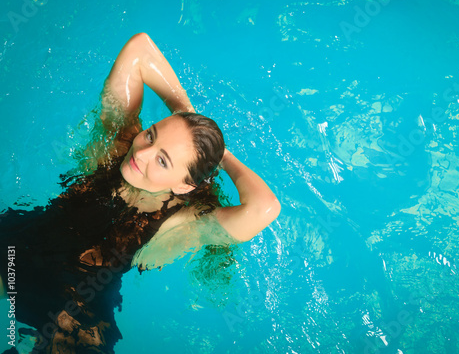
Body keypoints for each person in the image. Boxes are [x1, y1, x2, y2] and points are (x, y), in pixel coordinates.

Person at [0, 33, 280, 353]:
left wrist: (221, 154)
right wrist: (185, 113)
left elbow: (264, 208)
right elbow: (139, 48)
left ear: (185, 184)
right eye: (151, 135)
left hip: (75, 304)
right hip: (17, 242)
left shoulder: (181, 220)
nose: (142, 153)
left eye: (163, 160)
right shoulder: (116, 144)